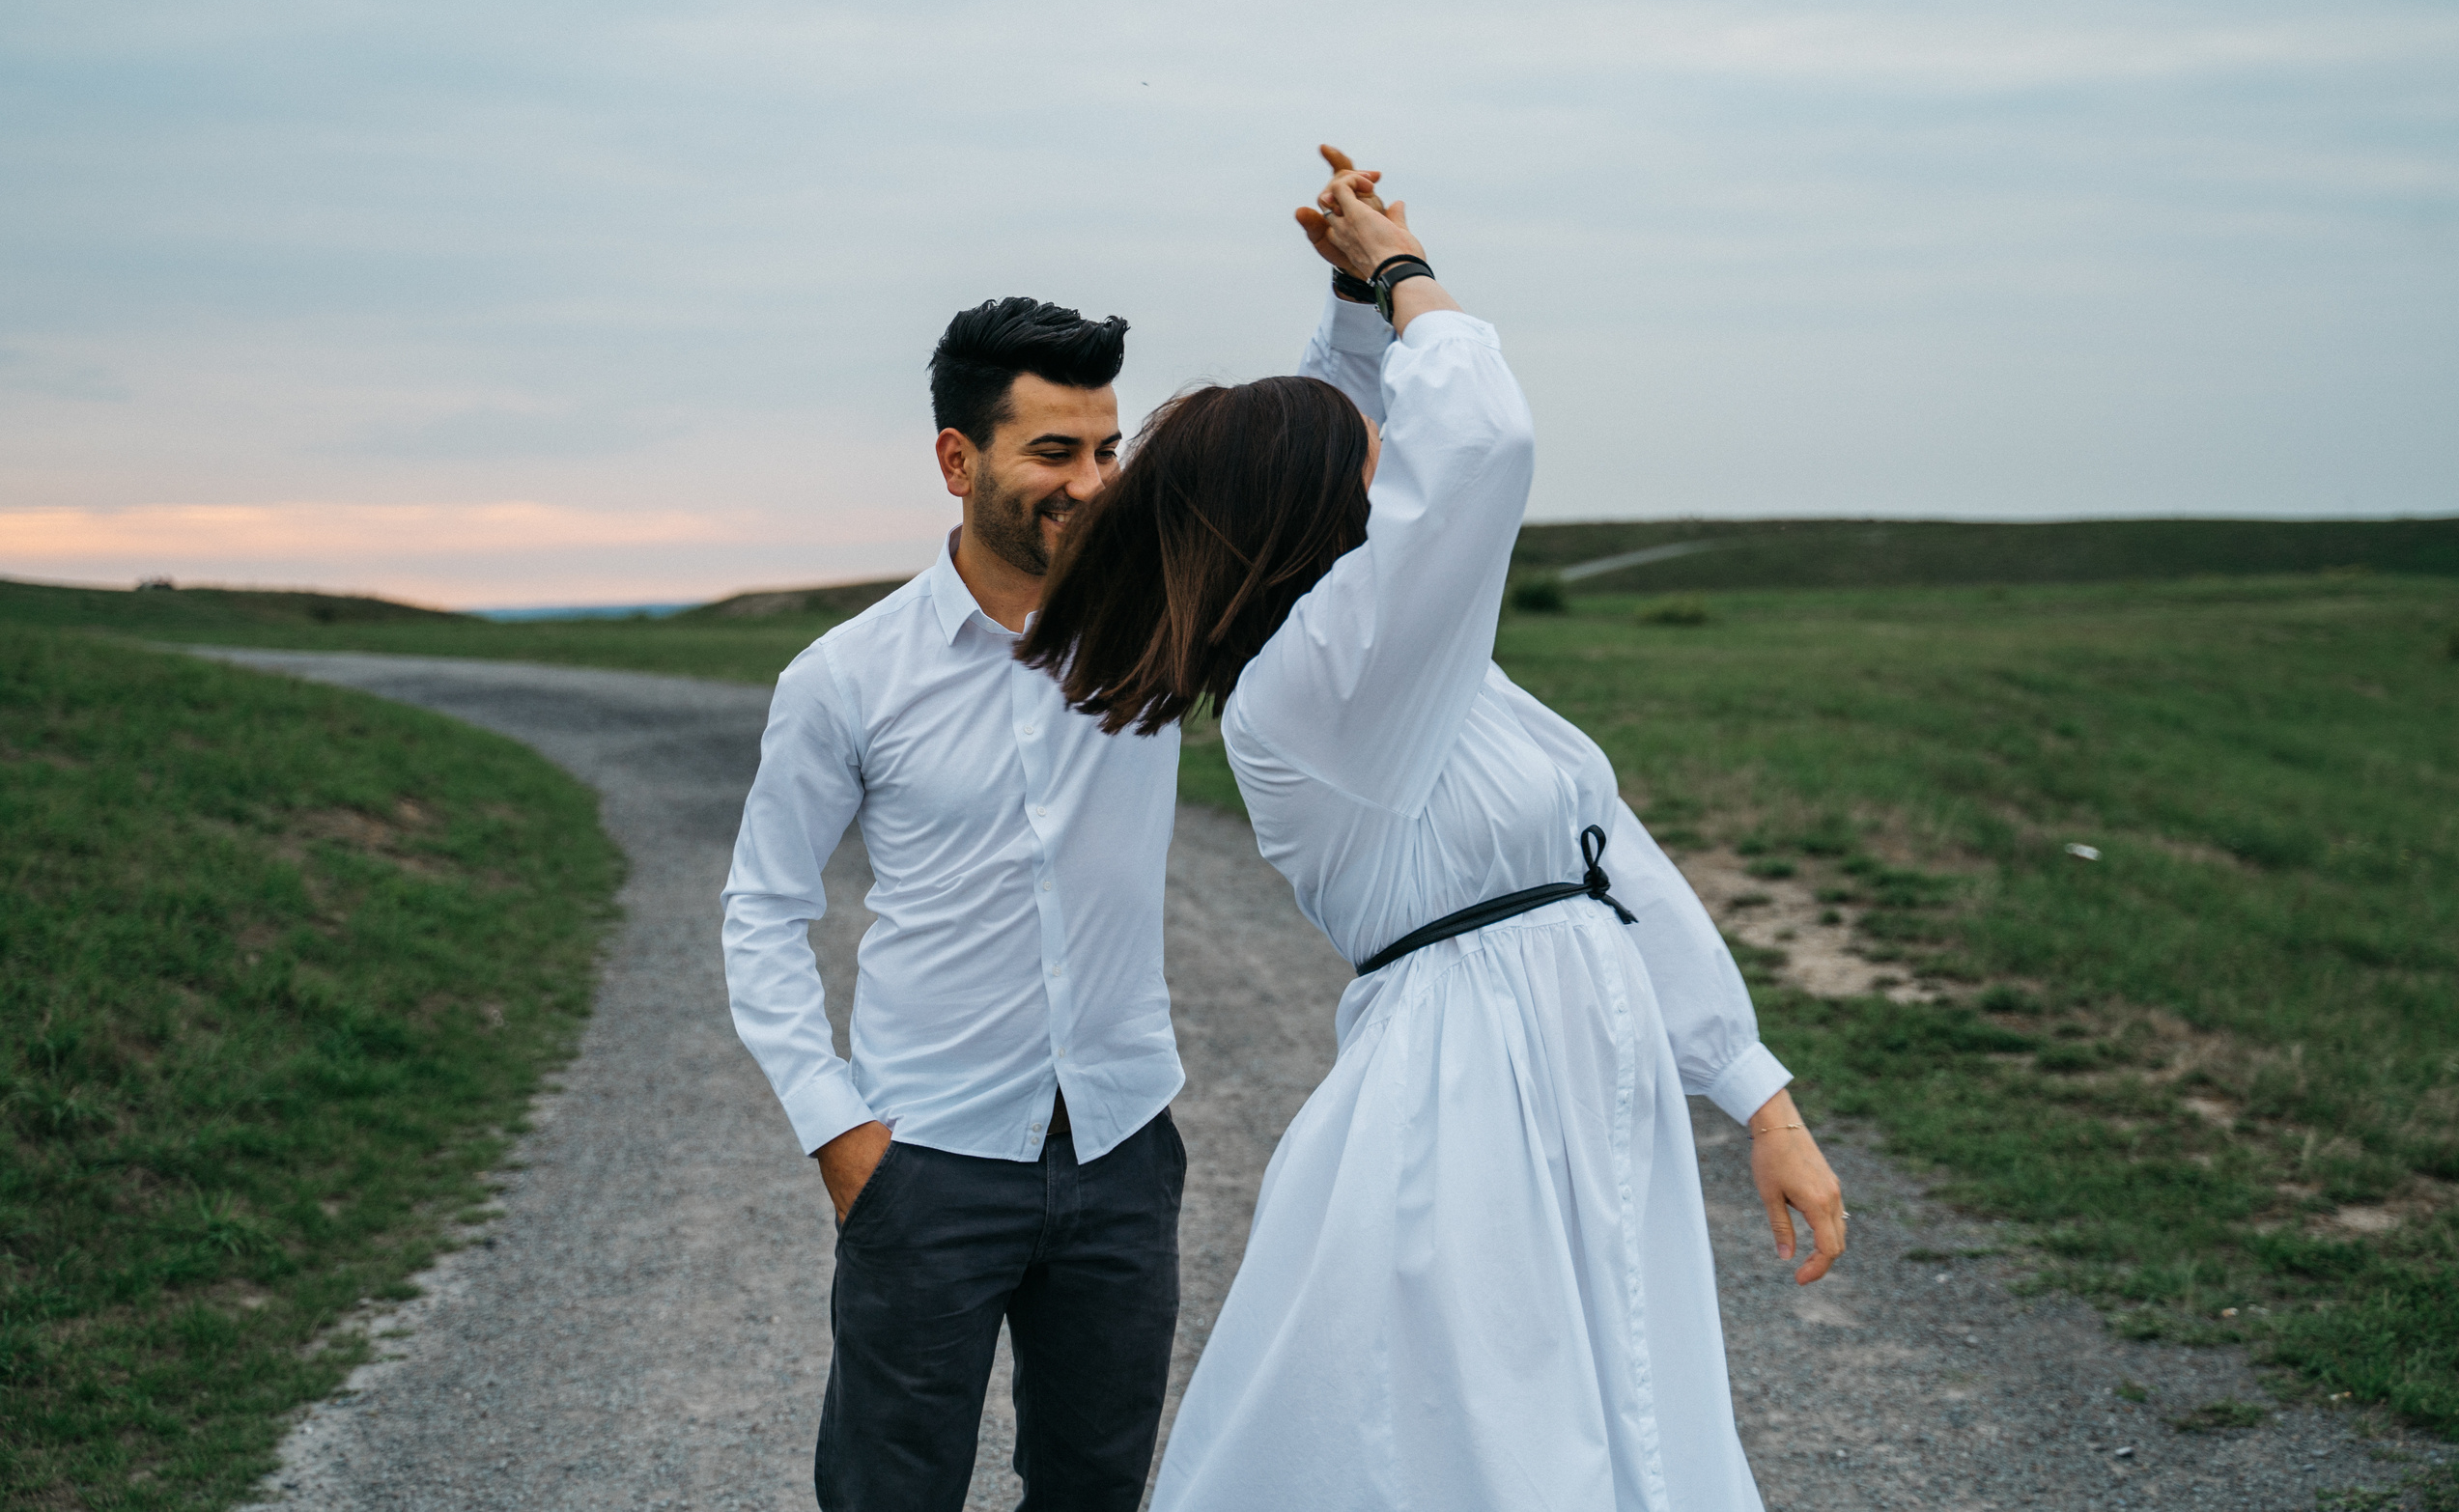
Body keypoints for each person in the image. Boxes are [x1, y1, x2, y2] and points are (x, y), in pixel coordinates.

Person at [1018, 155, 1848, 1510]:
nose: (1390, 461)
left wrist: (1757, 1092)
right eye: (1369, 466)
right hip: (1471, 1102)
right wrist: (1412, 281)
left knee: (1617, 1416)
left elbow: (1609, 863)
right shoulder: (1318, 691)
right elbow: (1482, 445)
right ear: (1318, 519)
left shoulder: (1421, 676)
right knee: (1494, 1453)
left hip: (1573, 1080)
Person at [720, 297, 1187, 1512]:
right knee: (890, 1491)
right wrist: (837, 1130)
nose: (1091, 483)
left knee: (1095, 1489)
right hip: (922, 1160)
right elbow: (763, 911)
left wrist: (1368, 295)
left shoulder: (1156, 625)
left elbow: (1298, 460)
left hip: (1123, 1148)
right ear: (955, 459)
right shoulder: (844, 679)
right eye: (1053, 452)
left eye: (1106, 449)